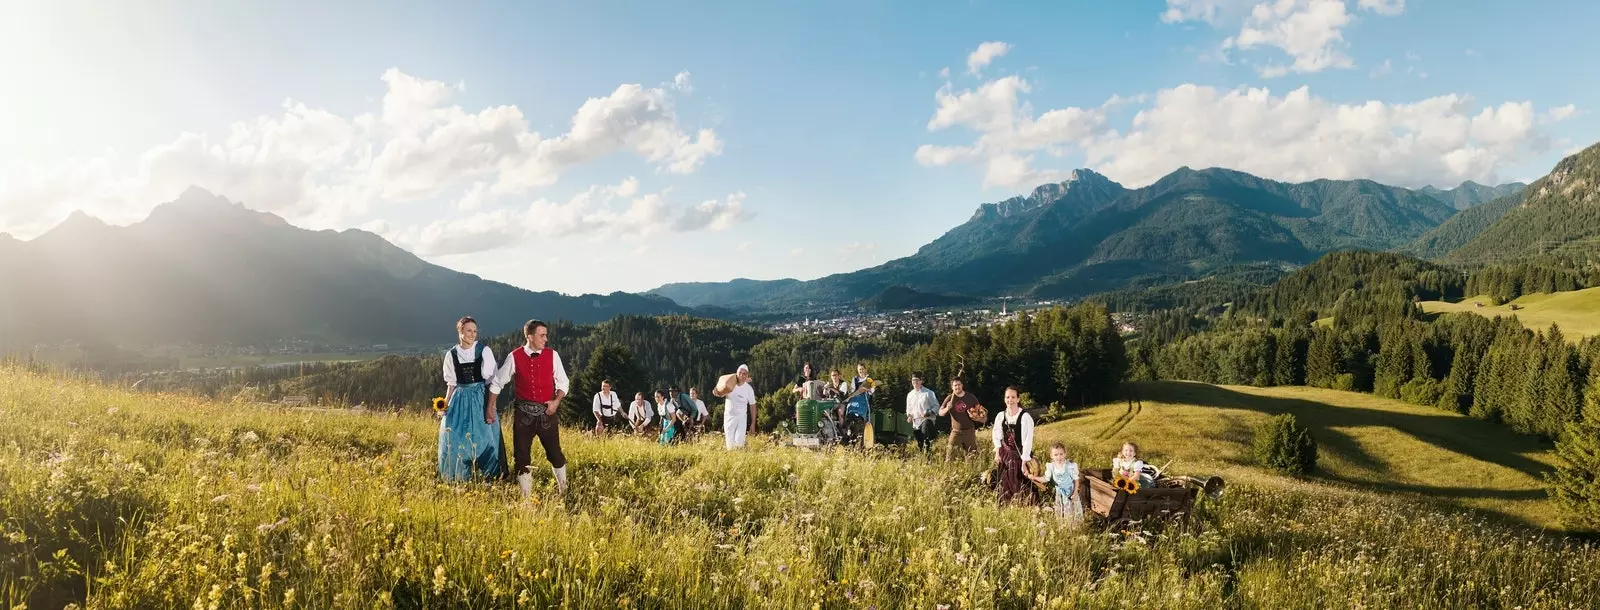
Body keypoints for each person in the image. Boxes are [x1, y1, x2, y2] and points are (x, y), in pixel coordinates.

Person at [488, 319, 570, 500]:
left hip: (547, 414)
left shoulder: (552, 355)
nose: (545, 339)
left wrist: (556, 402)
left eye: (546, 335)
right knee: (521, 457)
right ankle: (526, 500)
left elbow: (563, 382)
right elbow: (497, 382)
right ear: (530, 336)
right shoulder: (514, 356)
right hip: (523, 416)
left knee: (555, 454)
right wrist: (490, 407)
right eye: (542, 335)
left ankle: (563, 492)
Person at [438, 316, 505, 482]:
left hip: (480, 398)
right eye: (469, 330)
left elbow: (492, 381)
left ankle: (489, 476)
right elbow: (451, 383)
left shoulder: (484, 351)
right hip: (459, 400)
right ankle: (459, 477)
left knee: (484, 439)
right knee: (456, 437)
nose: (473, 334)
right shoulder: (451, 354)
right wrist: (444, 404)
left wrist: (491, 406)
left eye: (475, 331)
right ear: (460, 331)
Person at [991, 386, 1036, 504]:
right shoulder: (1001, 416)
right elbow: (997, 435)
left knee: (1020, 482)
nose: (1010, 400)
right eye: (1007, 397)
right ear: (1004, 399)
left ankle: (1025, 506)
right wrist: (997, 453)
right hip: (1005, 454)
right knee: (1004, 482)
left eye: (1013, 397)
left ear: (1018, 399)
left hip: (1020, 454)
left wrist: (1024, 461)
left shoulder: (1025, 417)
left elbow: (1028, 441)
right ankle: (1007, 506)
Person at [1027, 441, 1083, 522]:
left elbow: (1076, 480)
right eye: (1056, 455)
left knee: (1072, 510)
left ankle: (1073, 526)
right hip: (1059, 492)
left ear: (1065, 454)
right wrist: (1034, 477)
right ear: (1051, 456)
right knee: (1061, 509)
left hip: (1070, 491)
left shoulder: (1070, 466)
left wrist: (1074, 493)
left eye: (1061, 454)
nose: (1059, 457)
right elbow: (1046, 479)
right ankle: (1062, 525)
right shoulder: (1051, 466)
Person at [940, 376, 982, 461]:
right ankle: (949, 473)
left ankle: (972, 473)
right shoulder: (949, 398)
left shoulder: (970, 397)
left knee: (973, 458)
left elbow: (980, 413)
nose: (957, 387)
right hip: (956, 432)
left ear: (962, 385)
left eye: (959, 385)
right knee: (950, 457)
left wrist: (976, 416)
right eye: (955, 385)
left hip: (969, 432)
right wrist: (947, 408)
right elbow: (940, 413)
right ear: (952, 387)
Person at [716, 364, 757, 450]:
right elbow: (718, 393)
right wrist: (718, 391)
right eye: (740, 372)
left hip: (741, 418)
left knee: (739, 443)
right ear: (736, 373)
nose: (742, 375)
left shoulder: (749, 389)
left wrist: (753, 423)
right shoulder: (729, 385)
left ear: (747, 375)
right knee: (730, 445)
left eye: (744, 373)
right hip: (729, 417)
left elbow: (752, 406)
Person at [840, 363, 874, 446]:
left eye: (862, 369)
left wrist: (866, 389)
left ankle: (854, 439)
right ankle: (846, 435)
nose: (861, 371)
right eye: (859, 370)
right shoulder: (855, 379)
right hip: (854, 400)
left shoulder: (869, 379)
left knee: (858, 420)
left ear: (865, 369)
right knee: (849, 417)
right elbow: (852, 390)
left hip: (863, 401)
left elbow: (872, 391)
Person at [904, 371, 939, 454]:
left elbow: (937, 406)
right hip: (916, 422)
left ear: (921, 381)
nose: (915, 382)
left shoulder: (928, 393)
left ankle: (927, 457)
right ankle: (924, 457)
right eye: (913, 381)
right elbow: (908, 409)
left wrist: (929, 412)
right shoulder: (910, 395)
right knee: (920, 443)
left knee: (925, 433)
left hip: (927, 419)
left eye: (917, 380)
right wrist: (909, 416)